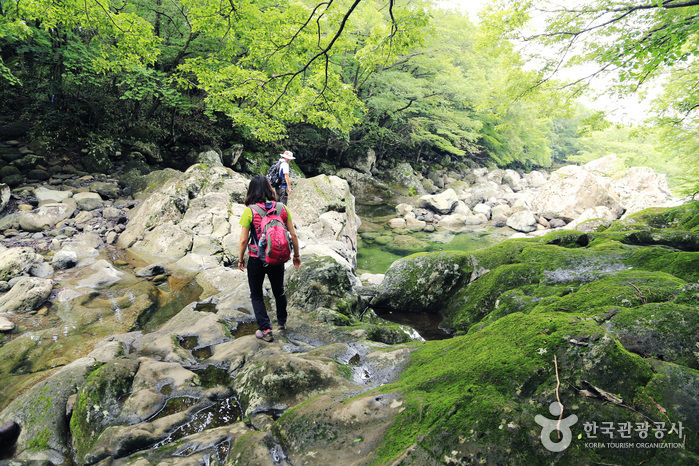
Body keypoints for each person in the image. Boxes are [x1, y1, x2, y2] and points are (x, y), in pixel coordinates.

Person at [238, 175, 301, 342]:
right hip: (277, 256)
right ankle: (281, 323)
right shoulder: (282, 208)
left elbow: (244, 240)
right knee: (278, 291)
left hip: (256, 258)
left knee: (257, 295)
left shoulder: (249, 211)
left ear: (251, 191)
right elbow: (293, 234)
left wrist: (240, 259)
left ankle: (265, 330)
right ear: (270, 188)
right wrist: (296, 255)